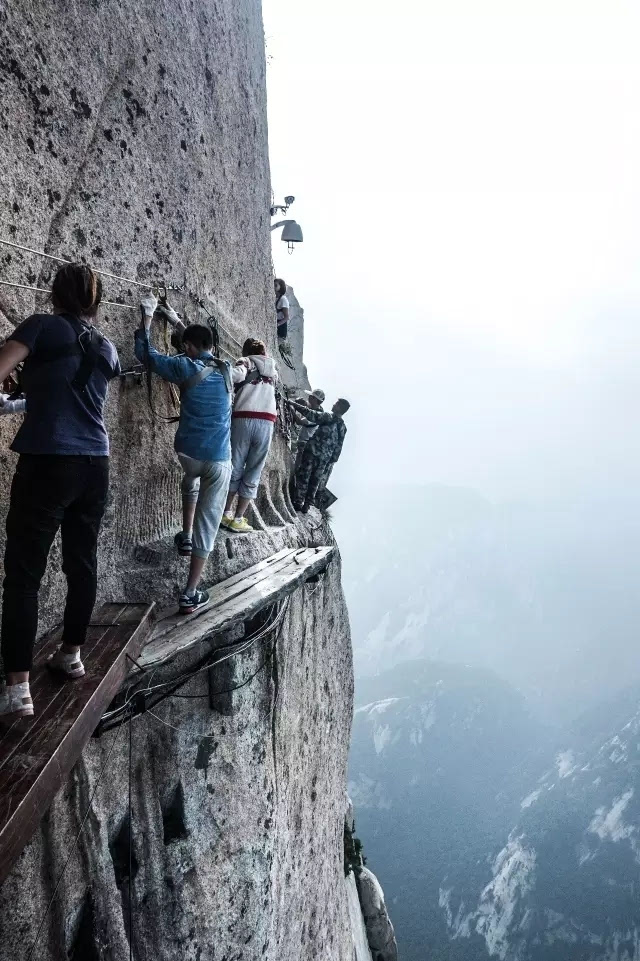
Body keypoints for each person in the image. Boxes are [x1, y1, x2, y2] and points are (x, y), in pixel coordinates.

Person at [0, 263, 120, 718]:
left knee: (24, 575)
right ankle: (70, 654)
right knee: (81, 563)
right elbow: (68, 391)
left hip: (49, 461)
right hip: (95, 464)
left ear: (55, 293)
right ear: (97, 301)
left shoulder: (41, 326)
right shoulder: (106, 349)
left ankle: (17, 687)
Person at [135, 293, 247, 614]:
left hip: (187, 453)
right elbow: (220, 359)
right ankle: (190, 592)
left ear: (189, 347)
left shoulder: (183, 366)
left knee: (191, 479)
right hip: (218, 460)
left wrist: (148, 315)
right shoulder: (228, 371)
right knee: (209, 522)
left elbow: (146, 353)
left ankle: (184, 535)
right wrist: (179, 323)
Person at [221, 338, 278, 533]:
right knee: (254, 470)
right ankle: (238, 518)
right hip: (267, 422)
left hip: (243, 418)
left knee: (235, 465)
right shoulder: (273, 370)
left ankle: (225, 512)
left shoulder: (246, 361)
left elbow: (236, 376)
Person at [288, 398, 350, 512]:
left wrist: (293, 404)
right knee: (315, 481)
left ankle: (298, 502)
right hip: (324, 459)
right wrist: (331, 460)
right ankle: (307, 504)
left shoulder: (328, 417)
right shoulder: (343, 427)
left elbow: (311, 414)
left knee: (304, 476)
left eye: (336, 404)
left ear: (340, 408)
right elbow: (339, 446)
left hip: (312, 452)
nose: (333, 404)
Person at [292, 387, 325, 471]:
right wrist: (299, 401)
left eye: (311, 396)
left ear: (314, 399)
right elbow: (305, 405)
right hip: (302, 441)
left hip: (304, 444)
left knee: (297, 466)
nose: (309, 397)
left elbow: (299, 422)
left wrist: (292, 409)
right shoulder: (314, 407)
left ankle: (293, 480)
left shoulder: (317, 416)